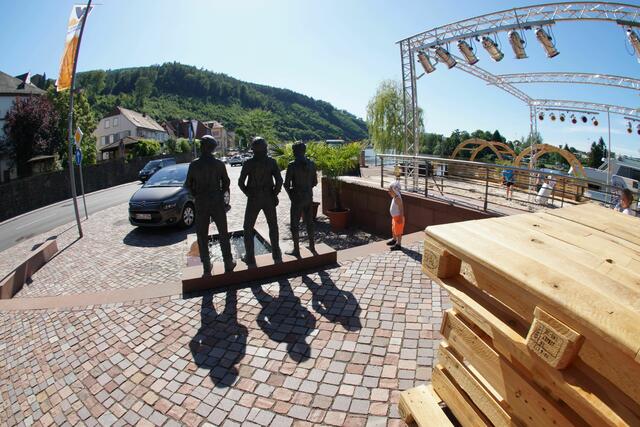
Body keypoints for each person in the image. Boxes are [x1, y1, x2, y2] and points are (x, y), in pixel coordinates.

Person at [185, 135, 236, 275]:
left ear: (202, 147)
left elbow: (188, 185)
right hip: (217, 201)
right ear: (213, 148)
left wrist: (196, 195)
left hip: (201, 201)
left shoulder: (194, 164)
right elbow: (226, 182)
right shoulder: (219, 164)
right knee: (223, 232)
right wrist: (220, 193)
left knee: (202, 234)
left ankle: (206, 266)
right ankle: (228, 262)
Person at [239, 136, 283, 264]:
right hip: (268, 196)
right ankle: (276, 253)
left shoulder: (248, 163)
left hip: (254, 198)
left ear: (253, 149)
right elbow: (279, 181)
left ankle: (250, 257)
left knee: (248, 227)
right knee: (273, 226)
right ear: (265, 148)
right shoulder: (271, 162)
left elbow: (241, 183)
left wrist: (248, 193)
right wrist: (274, 194)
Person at [284, 141, 318, 257]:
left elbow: (286, 184)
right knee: (309, 222)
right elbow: (315, 182)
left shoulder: (292, 165)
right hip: (308, 196)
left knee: (294, 224)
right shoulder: (312, 164)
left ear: (295, 151)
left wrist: (291, 196)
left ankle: (296, 250)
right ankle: (312, 246)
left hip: (297, 198)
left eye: (293, 150)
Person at [386, 180, 404, 251]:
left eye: (390, 191)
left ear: (394, 191)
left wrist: (400, 218)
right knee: (394, 229)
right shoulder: (395, 197)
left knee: (398, 231)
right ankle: (394, 239)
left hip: (398, 218)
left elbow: (401, 209)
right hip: (394, 217)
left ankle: (398, 244)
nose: (389, 192)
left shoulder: (397, 199)